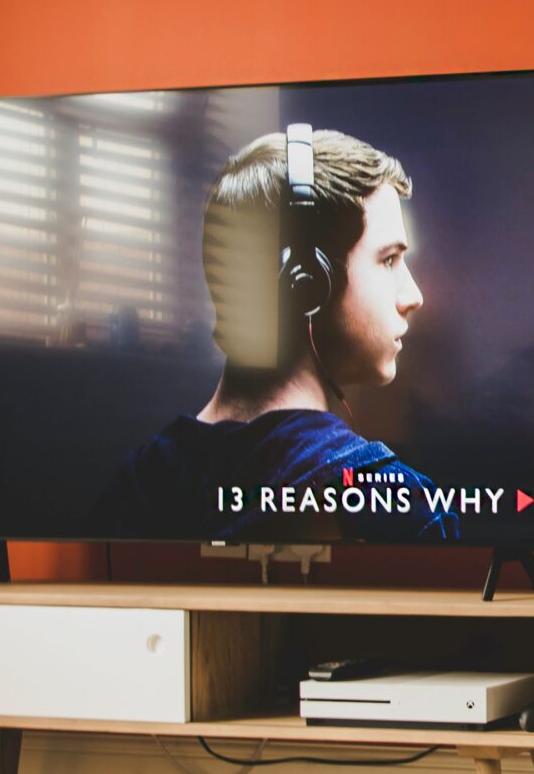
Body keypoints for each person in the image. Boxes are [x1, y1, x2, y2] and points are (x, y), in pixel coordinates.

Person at [88, 127, 460, 543]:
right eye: (389, 259)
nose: (414, 296)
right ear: (307, 282)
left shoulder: (134, 485)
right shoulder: (397, 505)